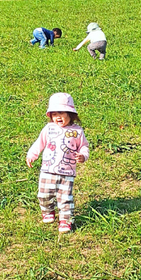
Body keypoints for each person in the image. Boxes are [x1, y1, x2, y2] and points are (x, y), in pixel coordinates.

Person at [26, 93, 89, 233]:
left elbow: (84, 146)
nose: (58, 117)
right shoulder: (49, 128)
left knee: (65, 198)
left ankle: (65, 221)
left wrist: (83, 156)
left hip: (67, 172)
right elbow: (39, 143)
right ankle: (48, 211)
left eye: (61, 113)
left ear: (70, 114)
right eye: (54, 114)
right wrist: (32, 154)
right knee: (43, 194)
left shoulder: (77, 131)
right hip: (47, 169)